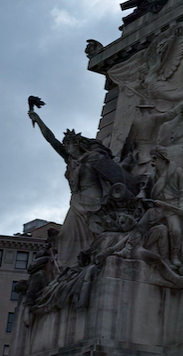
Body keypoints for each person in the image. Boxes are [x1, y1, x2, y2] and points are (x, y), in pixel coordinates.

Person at [28, 104, 142, 268]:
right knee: (66, 235)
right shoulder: (71, 161)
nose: (67, 148)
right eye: (65, 145)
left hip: (93, 198)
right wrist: (38, 120)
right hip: (76, 201)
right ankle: (72, 266)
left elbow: (116, 176)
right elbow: (51, 140)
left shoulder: (94, 158)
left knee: (95, 231)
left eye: (70, 144)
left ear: (78, 144)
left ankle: (92, 258)